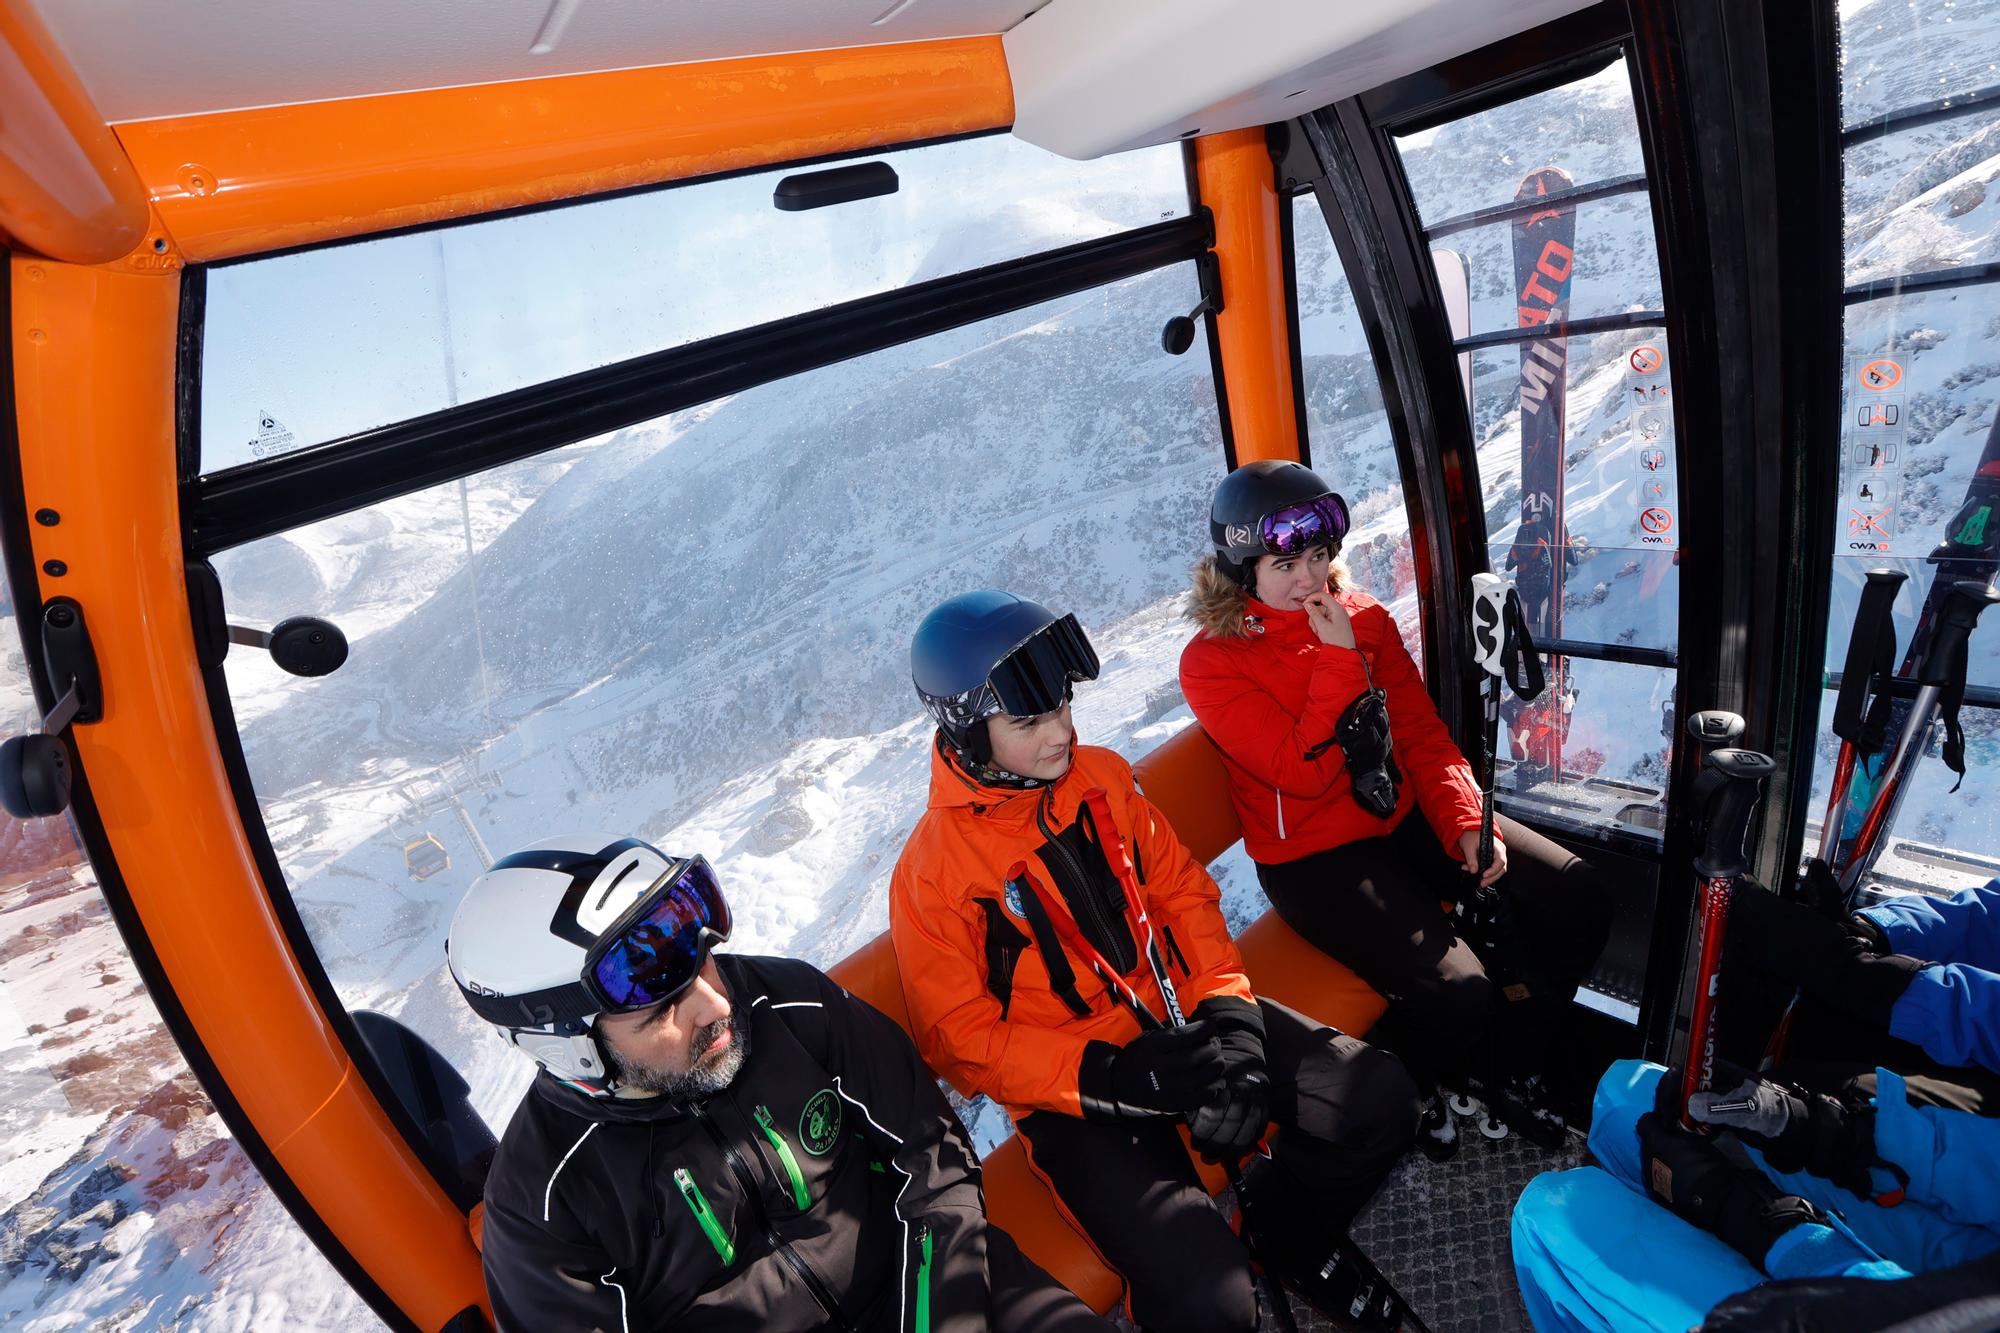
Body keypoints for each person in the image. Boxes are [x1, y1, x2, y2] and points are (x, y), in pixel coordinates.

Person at [888, 589, 1420, 1333]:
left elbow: (1181, 892)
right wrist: (1112, 1077)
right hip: (1074, 1090)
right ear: (968, 732)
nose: (1062, 732)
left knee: (1380, 1099)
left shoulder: (1102, 778)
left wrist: (1230, 1014)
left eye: (1063, 705)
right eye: (1029, 719)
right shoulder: (933, 874)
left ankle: (1286, 1236)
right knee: (1210, 1303)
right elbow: (959, 1038)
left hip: (1181, 1014)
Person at [448, 836, 1112, 1332]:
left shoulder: (782, 1001)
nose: (714, 1003)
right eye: (660, 1012)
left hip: (950, 1286)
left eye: (704, 962)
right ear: (566, 1046)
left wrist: (942, 1318)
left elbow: (930, 1154)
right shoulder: (545, 1201)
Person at [1178, 459, 1613, 1155]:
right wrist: (1338, 657)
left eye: (1320, 556)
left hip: (1398, 813)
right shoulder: (1212, 662)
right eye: (1287, 562)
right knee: (1461, 988)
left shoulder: (1366, 620)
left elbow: (1416, 733)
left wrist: (1463, 817)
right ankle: (1426, 1071)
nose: (1311, 578)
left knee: (1578, 895)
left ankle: (1496, 1064)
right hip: (1313, 856)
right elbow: (1297, 770)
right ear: (1240, 568)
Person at [1510, 1055, 2000, 1331]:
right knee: (1628, 1095)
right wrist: (1812, 1128)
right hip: (1971, 1248)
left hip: (1847, 1314)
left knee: (1550, 1212)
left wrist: (1775, 1231)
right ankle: (1663, 1213)